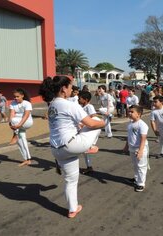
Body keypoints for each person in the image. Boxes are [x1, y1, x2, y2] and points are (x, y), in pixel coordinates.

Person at [39, 76, 105, 219]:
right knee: (98, 120)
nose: (72, 90)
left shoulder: (52, 105)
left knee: (71, 180)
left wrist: (79, 126)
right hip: (71, 145)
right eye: (70, 87)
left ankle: (72, 209)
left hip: (57, 149)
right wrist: (104, 123)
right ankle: (89, 147)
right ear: (63, 89)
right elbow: (92, 124)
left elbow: (64, 124)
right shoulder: (69, 104)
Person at [123, 105, 149, 192]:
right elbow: (129, 136)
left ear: (138, 114)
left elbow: (143, 138)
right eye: (129, 111)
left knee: (141, 166)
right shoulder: (130, 123)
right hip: (132, 148)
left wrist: (141, 151)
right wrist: (126, 146)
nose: (129, 113)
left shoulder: (142, 125)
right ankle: (136, 178)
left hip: (139, 148)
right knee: (135, 165)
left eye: (132, 112)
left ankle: (141, 183)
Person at [8, 88, 33, 167]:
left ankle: (14, 135)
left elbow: (26, 115)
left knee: (14, 120)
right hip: (17, 124)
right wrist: (10, 123)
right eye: (15, 97)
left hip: (27, 122)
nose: (16, 98)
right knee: (21, 141)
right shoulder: (12, 103)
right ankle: (27, 159)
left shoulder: (27, 103)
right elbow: (12, 114)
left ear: (22, 96)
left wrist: (18, 125)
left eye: (17, 96)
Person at [78, 91, 99, 175]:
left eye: (80, 98)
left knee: (85, 148)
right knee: (85, 151)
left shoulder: (89, 106)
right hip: (85, 128)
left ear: (85, 99)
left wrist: (84, 123)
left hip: (89, 128)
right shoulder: (82, 107)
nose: (78, 99)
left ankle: (92, 146)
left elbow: (94, 115)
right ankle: (89, 167)